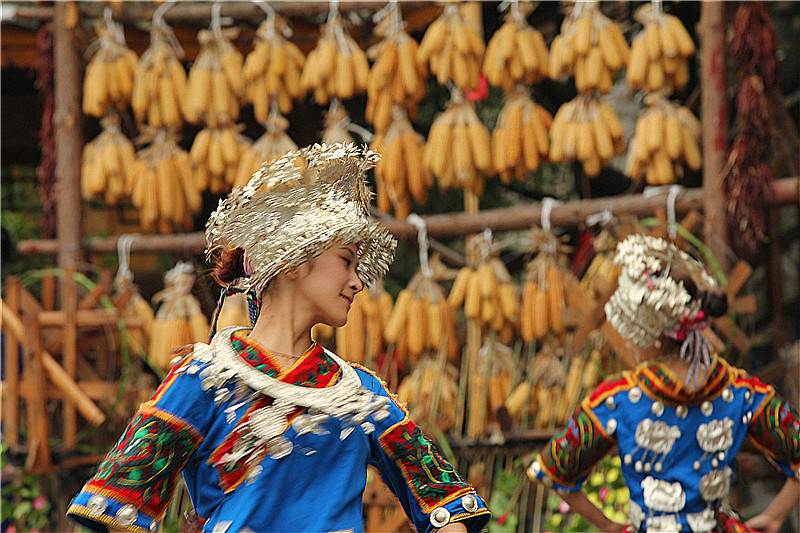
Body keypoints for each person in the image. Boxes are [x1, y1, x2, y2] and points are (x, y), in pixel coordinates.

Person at [67, 143, 491, 533]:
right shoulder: (202, 379)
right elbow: (118, 501)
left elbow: (444, 504)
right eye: (345, 261)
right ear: (292, 262)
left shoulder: (361, 395)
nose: (356, 282)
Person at [526, 234, 799, 533]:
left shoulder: (618, 399)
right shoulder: (740, 390)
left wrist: (607, 525)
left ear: (650, 337)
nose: (628, 343)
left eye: (630, 333)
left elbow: (555, 471)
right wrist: (775, 515)